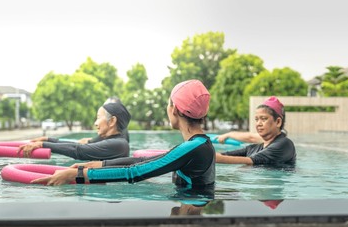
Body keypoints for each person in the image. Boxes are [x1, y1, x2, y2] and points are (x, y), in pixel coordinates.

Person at [31, 79, 216, 187]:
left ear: (174, 109)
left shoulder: (193, 147)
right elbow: (144, 161)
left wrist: (77, 175)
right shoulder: (198, 145)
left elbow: (135, 172)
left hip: (190, 219)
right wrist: (99, 164)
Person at [17, 102, 131, 161]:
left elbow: (78, 150)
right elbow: (77, 145)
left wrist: (42, 145)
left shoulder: (119, 144)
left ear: (112, 121)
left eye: (98, 117)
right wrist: (48, 139)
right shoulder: (111, 140)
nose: (95, 123)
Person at [215, 96, 296, 166]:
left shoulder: (285, 144)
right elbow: (225, 155)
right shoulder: (253, 148)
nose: (258, 124)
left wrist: (214, 158)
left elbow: (253, 160)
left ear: (278, 122)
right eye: (256, 119)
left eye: (264, 119)